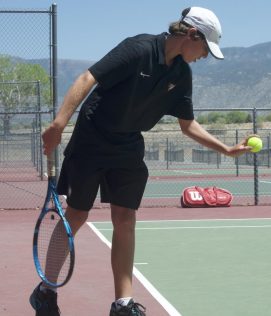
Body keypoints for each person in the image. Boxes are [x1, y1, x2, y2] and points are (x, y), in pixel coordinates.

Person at [29, 7, 252, 316]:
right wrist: (58, 124)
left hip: (128, 144)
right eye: (205, 49)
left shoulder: (181, 74)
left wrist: (225, 149)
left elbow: (188, 124)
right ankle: (46, 291)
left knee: (125, 219)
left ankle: (122, 305)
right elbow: (87, 78)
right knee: (76, 216)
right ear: (191, 35)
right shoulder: (138, 49)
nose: (204, 57)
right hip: (92, 138)